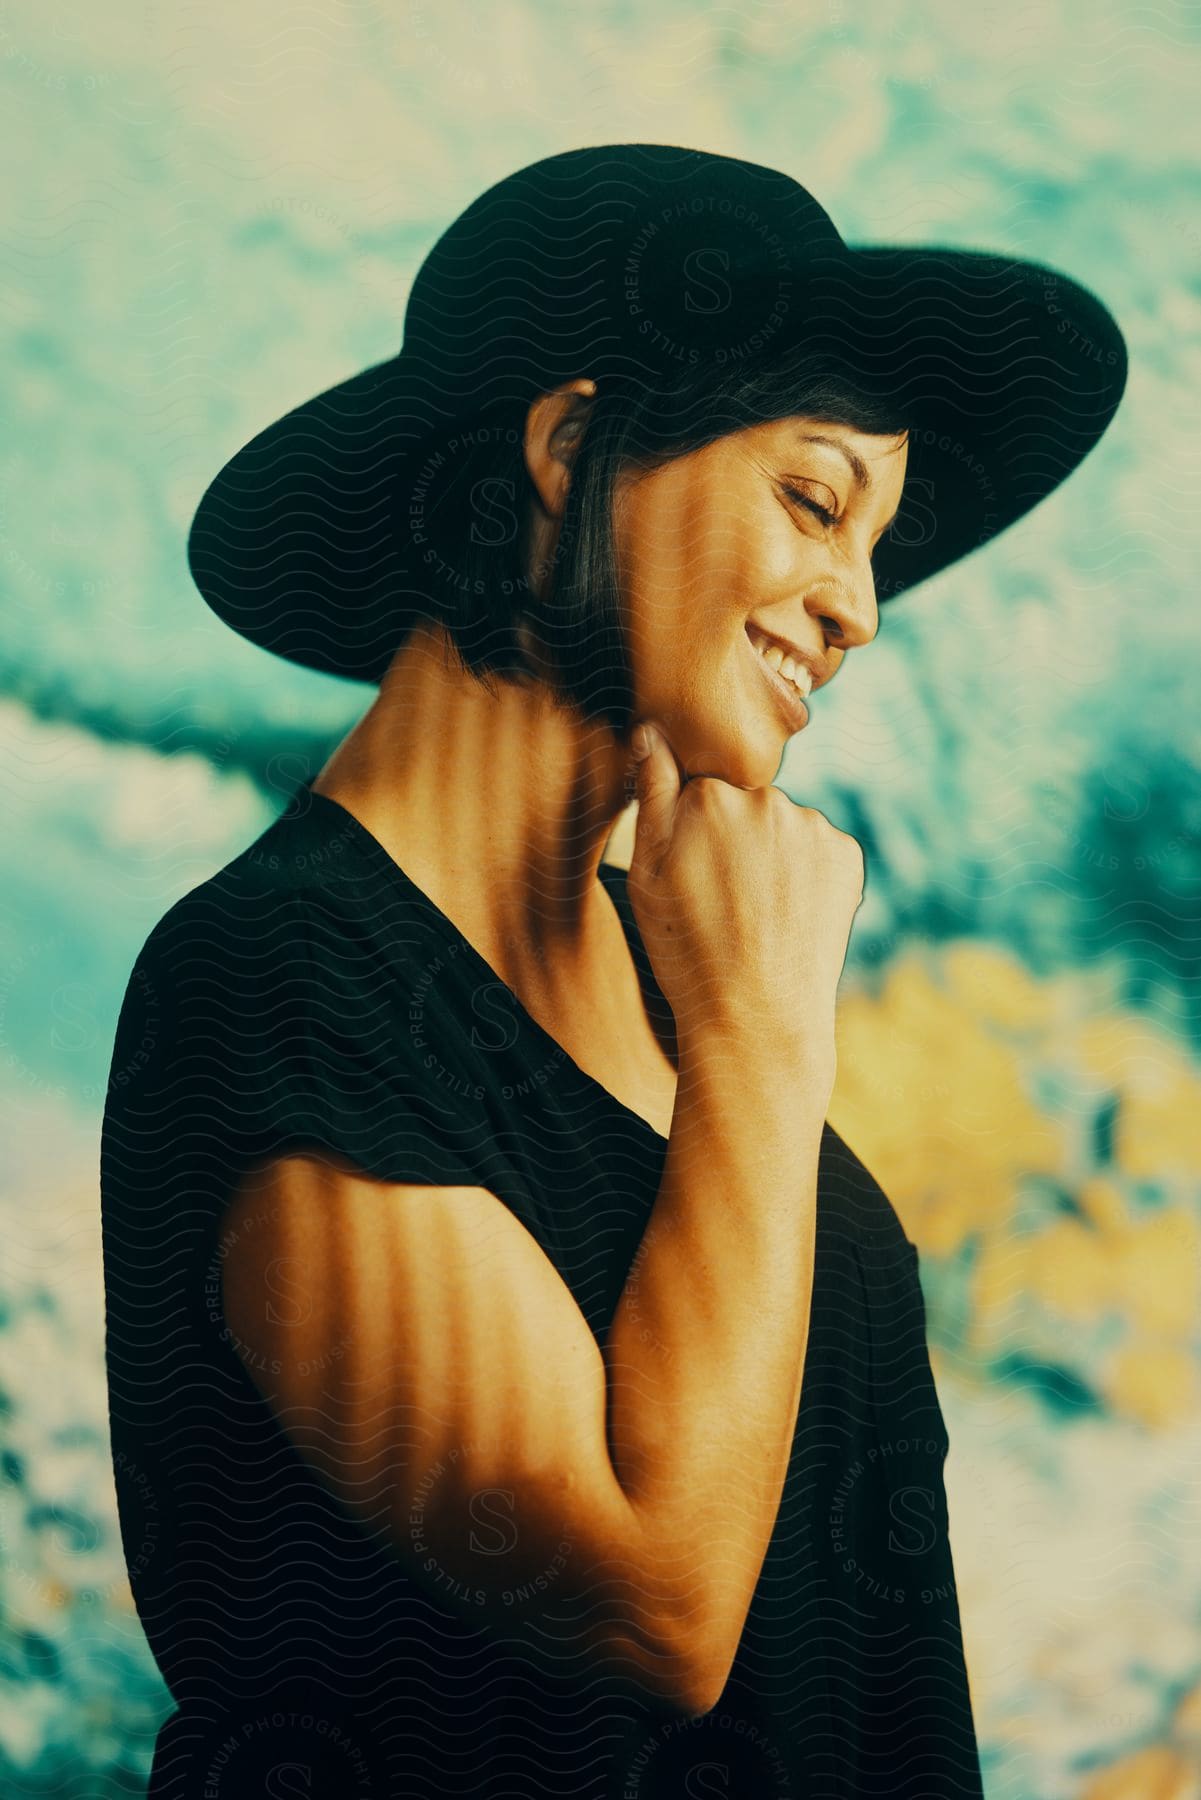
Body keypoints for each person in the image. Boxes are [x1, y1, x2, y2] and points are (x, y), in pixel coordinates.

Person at [99, 145, 1126, 1799]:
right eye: (813, 500)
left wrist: (732, 1031)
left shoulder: (682, 990)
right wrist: (767, 1044)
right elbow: (646, 1605)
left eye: (877, 539)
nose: (859, 608)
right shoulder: (277, 978)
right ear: (572, 450)